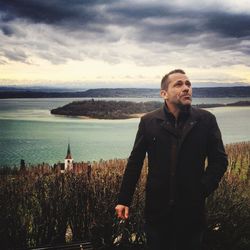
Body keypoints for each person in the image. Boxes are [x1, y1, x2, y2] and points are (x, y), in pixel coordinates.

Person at [115, 69, 228, 250]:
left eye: (188, 84)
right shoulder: (148, 121)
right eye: (179, 84)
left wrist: (201, 190)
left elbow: (219, 161)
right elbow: (135, 162)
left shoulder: (206, 120)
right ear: (164, 94)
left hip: (192, 213)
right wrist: (123, 199)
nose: (186, 88)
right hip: (157, 212)